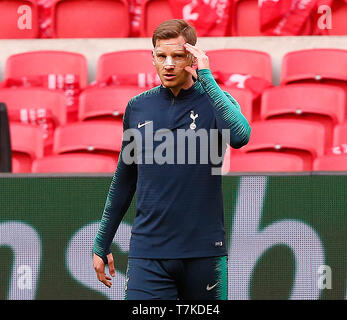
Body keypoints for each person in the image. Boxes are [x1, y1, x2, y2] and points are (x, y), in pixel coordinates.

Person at [93, 19, 251, 300]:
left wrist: (207, 78)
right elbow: (125, 178)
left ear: (192, 57)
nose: (168, 64)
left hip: (204, 254)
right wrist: (102, 241)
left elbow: (240, 136)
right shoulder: (138, 106)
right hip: (148, 256)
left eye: (177, 56)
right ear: (152, 57)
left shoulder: (217, 100)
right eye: (161, 56)